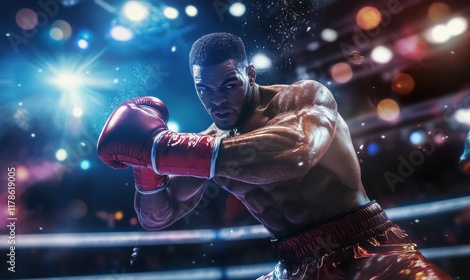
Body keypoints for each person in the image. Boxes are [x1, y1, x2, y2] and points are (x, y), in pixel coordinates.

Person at [97, 32, 451, 279]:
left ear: (250, 74)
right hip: (293, 265)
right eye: (203, 89)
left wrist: (160, 148)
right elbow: (158, 216)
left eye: (229, 85)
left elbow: (294, 154)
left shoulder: (301, 99)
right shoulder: (208, 142)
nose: (216, 99)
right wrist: (145, 164)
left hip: (365, 250)